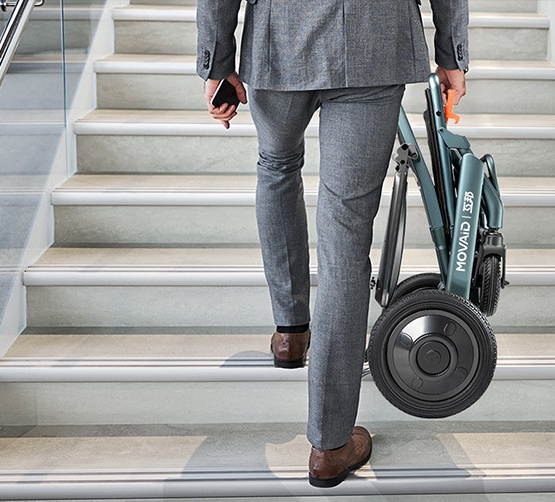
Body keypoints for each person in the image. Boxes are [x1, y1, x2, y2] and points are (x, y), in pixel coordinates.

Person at [197, 0, 468, 488]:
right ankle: (329, 444)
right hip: (375, 42)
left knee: (277, 166)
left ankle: (290, 332)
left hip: (279, 39)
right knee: (346, 239)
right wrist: (451, 52)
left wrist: (216, 63)